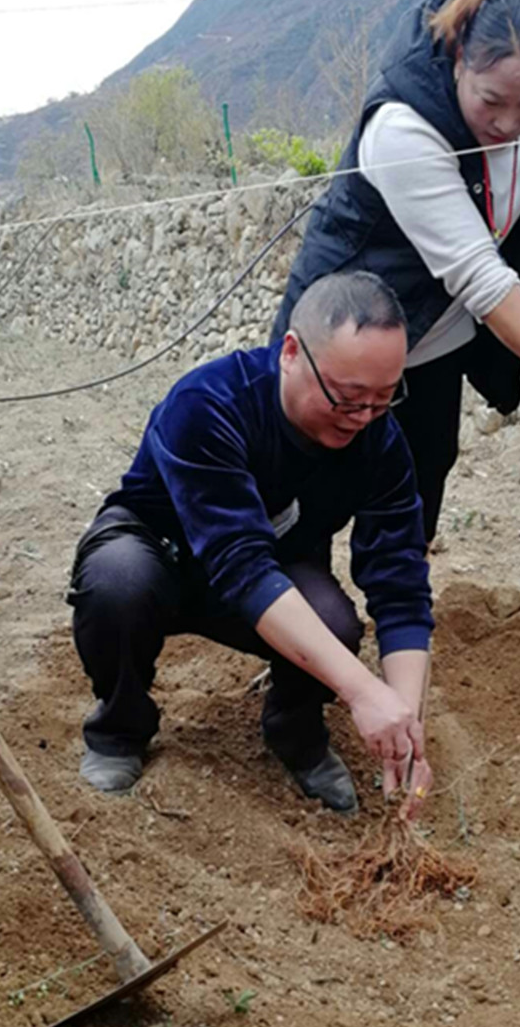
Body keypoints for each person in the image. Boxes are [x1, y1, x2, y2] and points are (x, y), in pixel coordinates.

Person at [69, 272, 433, 817]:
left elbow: (400, 584)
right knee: (117, 583)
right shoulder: (209, 403)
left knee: (334, 622)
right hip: (159, 550)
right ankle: (119, 730)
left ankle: (297, 733)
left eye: (383, 399)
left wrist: (405, 724)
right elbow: (239, 564)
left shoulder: (379, 442)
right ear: (291, 352)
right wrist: (362, 691)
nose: (362, 418)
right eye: (347, 398)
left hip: (269, 565)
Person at [271, 0, 520, 543]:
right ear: (458, 59)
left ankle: (400, 591)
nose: (508, 123)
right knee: (311, 493)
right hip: (345, 332)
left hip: (434, 333)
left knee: (417, 484)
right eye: (491, 100)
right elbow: (478, 275)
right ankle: (282, 583)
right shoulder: (403, 127)